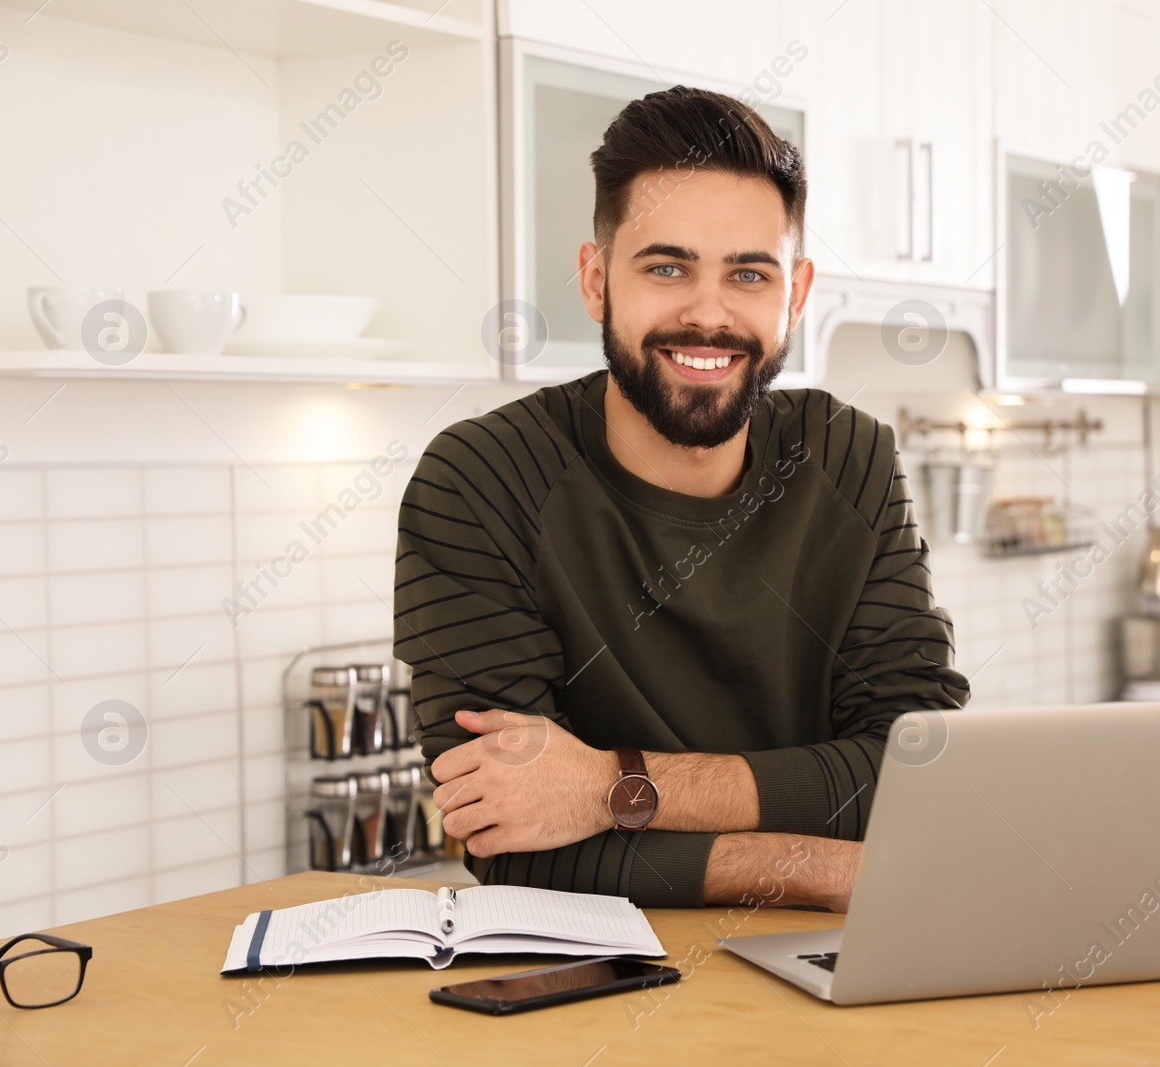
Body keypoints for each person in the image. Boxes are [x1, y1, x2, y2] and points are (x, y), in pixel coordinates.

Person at [393, 85, 968, 911]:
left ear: (796, 296)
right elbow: (508, 842)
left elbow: (919, 767)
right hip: (591, 986)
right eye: (667, 267)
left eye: (749, 274)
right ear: (596, 282)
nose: (709, 313)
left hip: (827, 969)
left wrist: (609, 787)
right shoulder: (480, 479)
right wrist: (816, 864)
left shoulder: (851, 458)